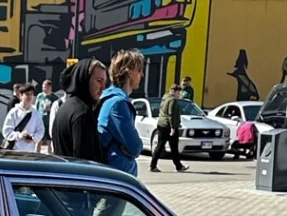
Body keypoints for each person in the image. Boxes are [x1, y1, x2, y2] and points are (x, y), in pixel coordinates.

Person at [98, 50, 144, 178]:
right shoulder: (118, 103)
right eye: (139, 70)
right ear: (129, 73)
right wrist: (130, 147)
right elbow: (135, 147)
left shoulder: (107, 97)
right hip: (117, 177)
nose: (142, 74)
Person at [50, 58, 107, 161]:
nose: (103, 87)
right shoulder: (82, 113)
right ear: (85, 79)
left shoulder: (66, 106)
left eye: (104, 82)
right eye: (99, 81)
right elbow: (84, 161)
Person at [150, 78, 186, 173]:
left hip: (161, 124)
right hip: (168, 126)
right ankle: (154, 166)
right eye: (178, 92)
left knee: (163, 145)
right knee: (168, 146)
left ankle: (178, 166)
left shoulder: (165, 98)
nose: (179, 94)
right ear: (173, 91)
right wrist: (173, 127)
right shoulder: (172, 100)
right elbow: (171, 114)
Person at [1, 81, 45, 154]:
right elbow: (6, 131)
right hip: (14, 151)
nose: (30, 97)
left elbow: (40, 130)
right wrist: (20, 135)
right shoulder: (14, 112)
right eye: (27, 94)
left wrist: (33, 138)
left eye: (31, 94)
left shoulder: (36, 113)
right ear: (21, 95)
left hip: (30, 152)